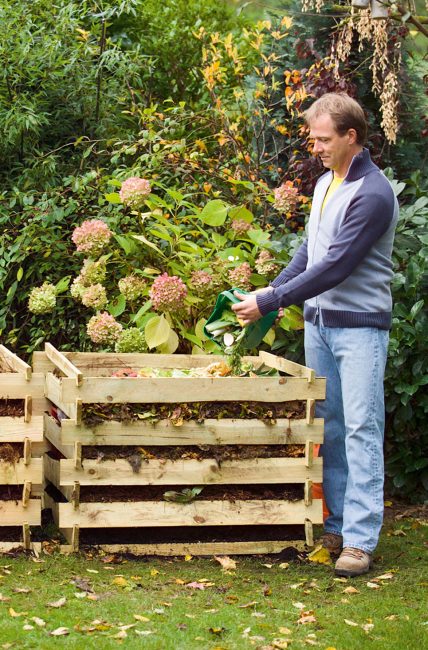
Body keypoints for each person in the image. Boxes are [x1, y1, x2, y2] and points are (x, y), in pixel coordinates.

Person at [232, 92, 398, 577]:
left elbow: (337, 265)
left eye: (324, 139)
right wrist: (274, 288)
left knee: (363, 429)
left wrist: (271, 301)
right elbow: (310, 251)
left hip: (360, 329)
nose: (316, 147)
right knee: (330, 427)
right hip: (319, 327)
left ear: (352, 136)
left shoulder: (373, 193)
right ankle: (339, 524)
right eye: (314, 138)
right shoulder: (328, 181)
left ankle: (361, 541)